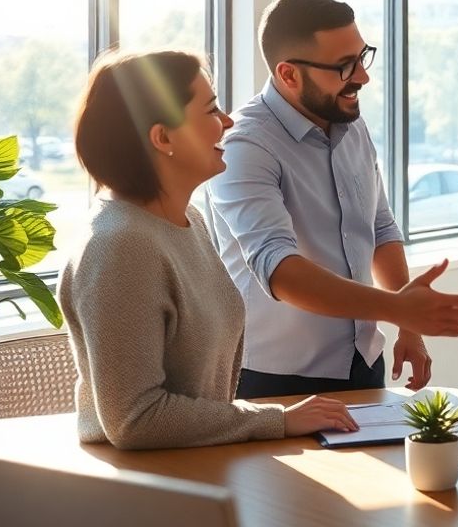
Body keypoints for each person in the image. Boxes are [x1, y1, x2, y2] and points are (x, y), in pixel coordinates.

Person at [60, 50, 359, 450]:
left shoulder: (189, 220)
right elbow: (136, 418)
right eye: (212, 110)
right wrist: (276, 419)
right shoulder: (120, 245)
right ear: (162, 137)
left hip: (200, 467)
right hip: (149, 491)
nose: (228, 122)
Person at [208, 0, 458, 400]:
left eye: (362, 57)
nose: (362, 76)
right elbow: (279, 269)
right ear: (288, 74)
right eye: (345, 66)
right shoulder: (244, 145)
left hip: (363, 364)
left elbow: (379, 227)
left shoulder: (347, 122)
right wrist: (398, 308)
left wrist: (407, 324)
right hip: (275, 380)